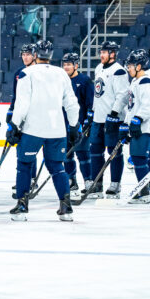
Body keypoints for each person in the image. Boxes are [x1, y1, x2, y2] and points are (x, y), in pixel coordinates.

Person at [7, 40, 80, 221]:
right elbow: (71, 103)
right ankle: (66, 207)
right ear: (51, 55)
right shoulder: (61, 73)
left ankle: (22, 205)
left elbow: (22, 103)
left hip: (33, 129)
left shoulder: (26, 73)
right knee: (57, 166)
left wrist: (14, 125)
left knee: (24, 164)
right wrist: (73, 126)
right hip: (57, 130)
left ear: (35, 54)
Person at [116, 49, 150, 204]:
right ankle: (149, 188)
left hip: (146, 126)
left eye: (130, 66)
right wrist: (126, 124)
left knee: (138, 157)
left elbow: (148, 106)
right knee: (142, 157)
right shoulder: (136, 81)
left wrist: (137, 119)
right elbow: (132, 107)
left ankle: (144, 192)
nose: (128, 68)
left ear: (138, 66)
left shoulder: (146, 81)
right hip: (142, 125)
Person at [89, 40, 129, 198]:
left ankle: (115, 184)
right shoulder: (99, 68)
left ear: (113, 54)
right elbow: (97, 93)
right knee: (95, 151)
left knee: (114, 152)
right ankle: (96, 183)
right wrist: (92, 111)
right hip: (98, 119)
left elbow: (123, 95)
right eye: (101, 52)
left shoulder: (119, 71)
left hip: (113, 119)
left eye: (104, 52)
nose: (101, 55)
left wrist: (114, 113)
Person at [61, 52, 94, 194]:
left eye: (69, 64)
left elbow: (90, 103)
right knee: (66, 155)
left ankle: (88, 180)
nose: (66, 67)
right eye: (64, 64)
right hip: (64, 125)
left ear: (76, 65)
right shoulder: (61, 81)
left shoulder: (85, 81)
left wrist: (88, 120)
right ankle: (71, 180)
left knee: (83, 153)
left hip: (80, 125)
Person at [9, 43, 38, 194]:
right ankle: (23, 178)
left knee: (31, 148)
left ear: (34, 56)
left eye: (28, 54)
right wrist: (11, 112)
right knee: (21, 147)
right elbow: (16, 96)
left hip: (35, 115)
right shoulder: (19, 73)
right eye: (23, 54)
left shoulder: (39, 72)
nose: (25, 57)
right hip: (21, 115)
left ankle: (32, 178)